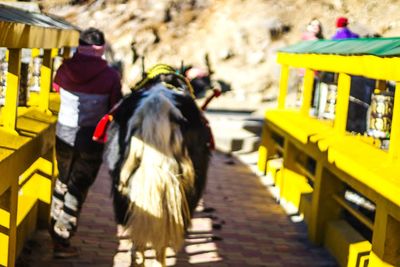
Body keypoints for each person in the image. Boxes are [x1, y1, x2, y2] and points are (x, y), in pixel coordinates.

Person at [49, 27, 122, 258]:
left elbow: (56, 88)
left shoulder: (65, 68)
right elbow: (115, 106)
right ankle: (62, 239)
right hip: (92, 139)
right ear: (101, 49)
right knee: (77, 186)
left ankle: (54, 230)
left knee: (62, 180)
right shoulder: (111, 76)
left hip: (64, 134)